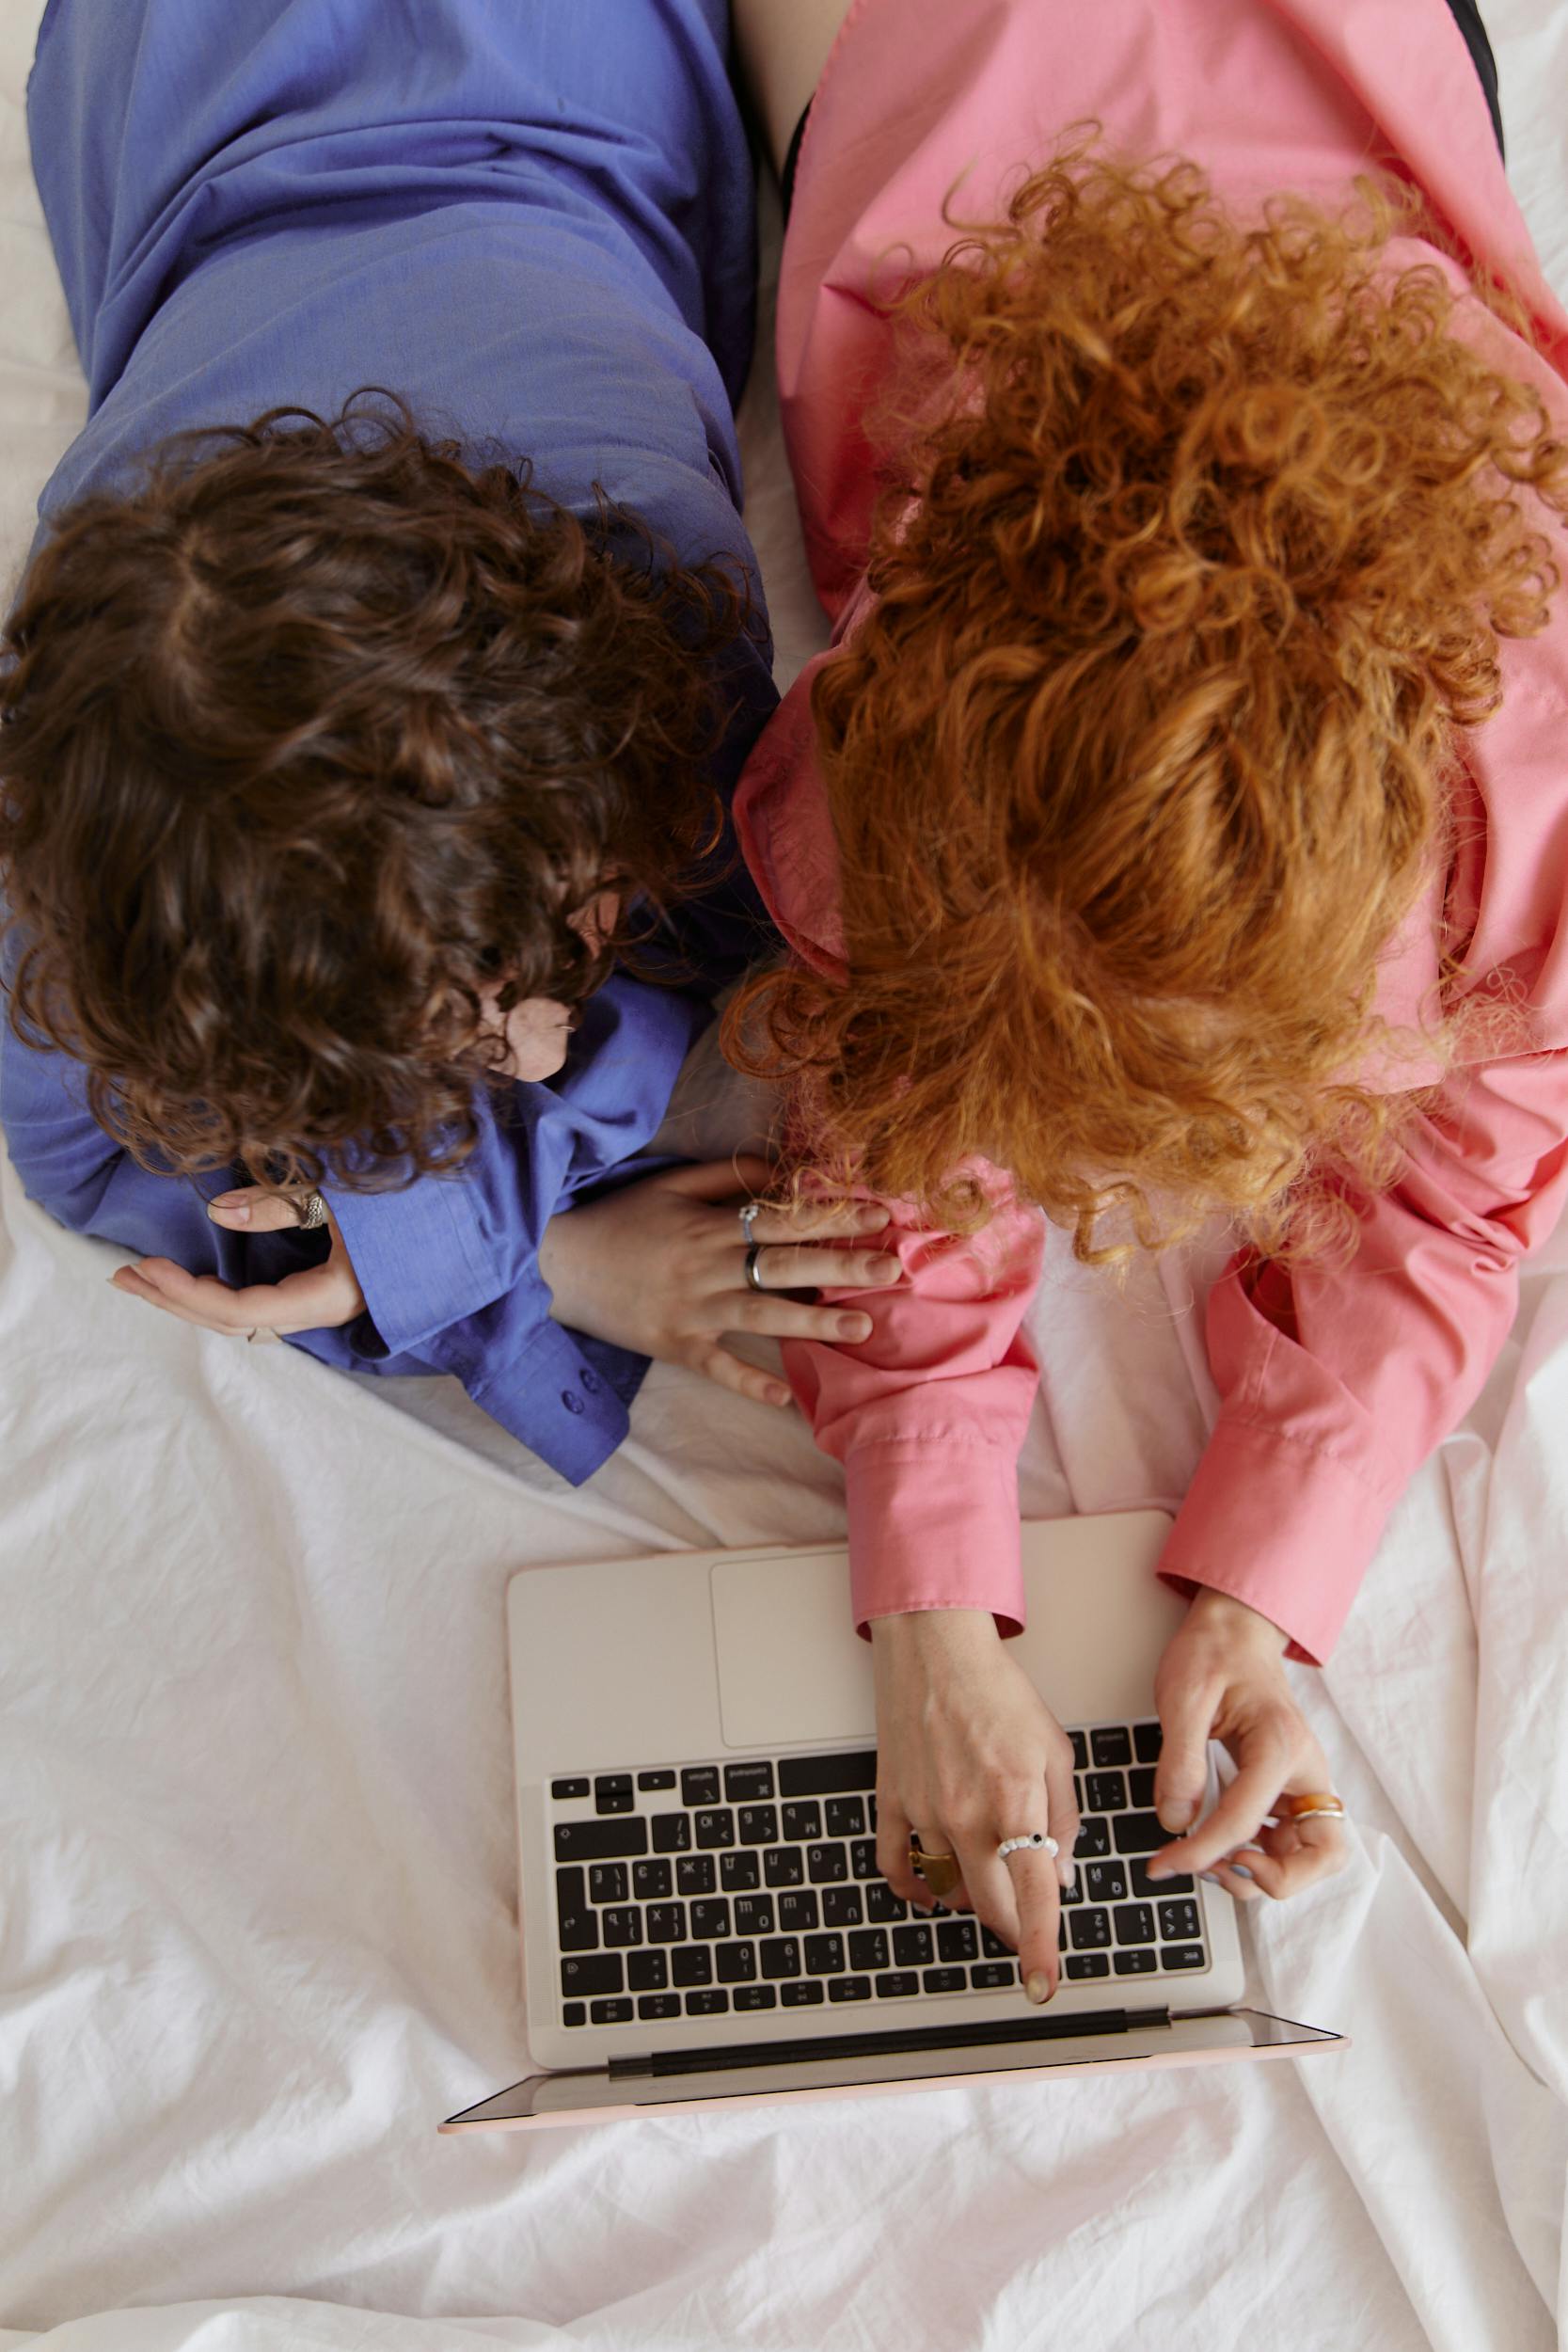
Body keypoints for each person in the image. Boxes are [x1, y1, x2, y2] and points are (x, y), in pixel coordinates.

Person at [727, 0, 1568, 2000]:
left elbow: (1469, 1177)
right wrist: (932, 1605)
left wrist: (1270, 1581)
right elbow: (892, 1108)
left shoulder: (1544, 768)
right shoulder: (910, 755)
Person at [0, 0, 896, 1475]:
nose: (543, 1055)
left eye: (538, 976)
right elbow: (75, 1139)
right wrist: (543, 1265)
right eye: (480, 1032)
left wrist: (465, 1235)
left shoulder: (649, 607)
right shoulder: (107, 795)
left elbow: (752, 968)